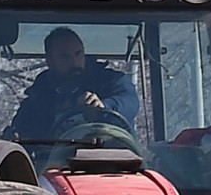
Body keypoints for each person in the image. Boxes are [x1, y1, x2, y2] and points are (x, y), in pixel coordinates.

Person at [8, 27, 140, 141]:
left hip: (111, 159)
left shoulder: (110, 82)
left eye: (78, 54)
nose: (75, 63)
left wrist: (104, 107)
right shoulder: (37, 101)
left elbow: (129, 103)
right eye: (65, 57)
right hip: (52, 161)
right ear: (50, 61)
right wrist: (13, 137)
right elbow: (21, 134)